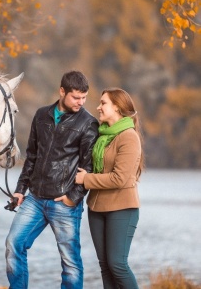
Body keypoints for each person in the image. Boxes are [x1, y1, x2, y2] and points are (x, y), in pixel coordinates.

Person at [5, 71, 99, 289]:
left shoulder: (88, 123)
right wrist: (20, 190)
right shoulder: (41, 115)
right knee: (13, 244)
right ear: (62, 91)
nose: (81, 102)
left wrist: (72, 198)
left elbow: (88, 168)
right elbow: (32, 156)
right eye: (76, 97)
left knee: (70, 262)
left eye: (84, 97)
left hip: (63, 203)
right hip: (35, 199)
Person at [75, 87, 144, 289]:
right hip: (97, 208)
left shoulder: (129, 137)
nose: (98, 107)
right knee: (105, 266)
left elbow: (119, 179)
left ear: (117, 107)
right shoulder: (101, 135)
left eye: (103, 103)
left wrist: (87, 179)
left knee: (117, 265)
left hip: (122, 209)